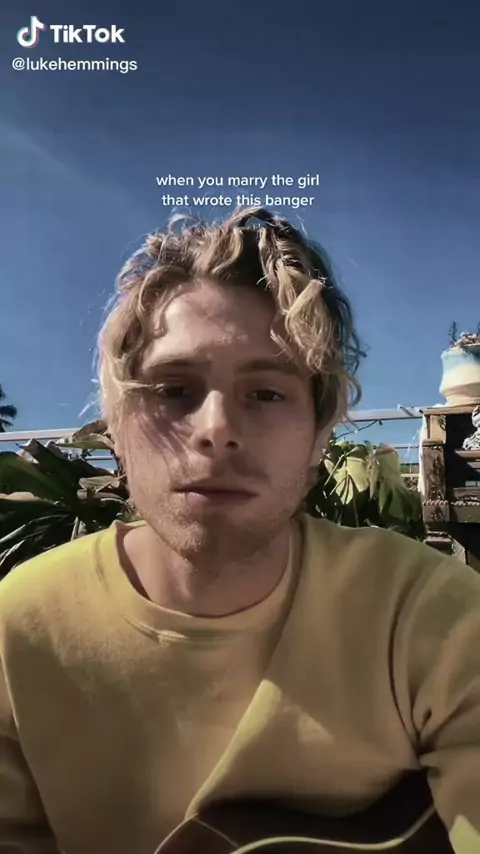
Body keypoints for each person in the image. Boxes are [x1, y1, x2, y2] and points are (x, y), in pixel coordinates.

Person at [0, 207, 479, 854]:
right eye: (173, 390)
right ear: (116, 427)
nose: (216, 429)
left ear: (319, 435)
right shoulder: (19, 630)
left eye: (265, 394)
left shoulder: (427, 613)